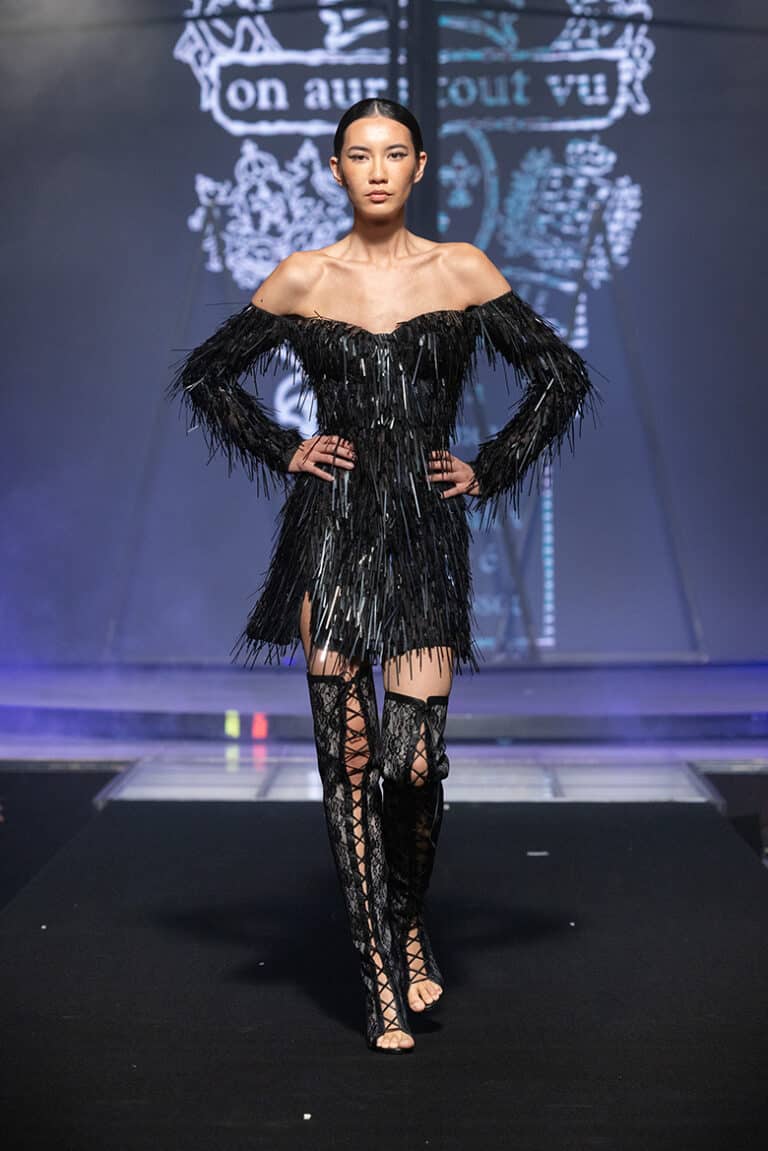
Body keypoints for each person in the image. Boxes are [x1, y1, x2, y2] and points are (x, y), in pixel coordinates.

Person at [167, 97, 603, 1053]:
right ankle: (378, 982)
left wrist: (488, 466)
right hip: (330, 534)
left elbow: (560, 375)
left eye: (392, 154)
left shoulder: (459, 270)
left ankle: (407, 919)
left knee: (412, 765)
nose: (375, 169)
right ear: (335, 171)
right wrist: (285, 447)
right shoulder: (305, 276)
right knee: (346, 768)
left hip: (422, 543)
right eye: (357, 155)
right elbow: (205, 374)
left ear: (420, 167)